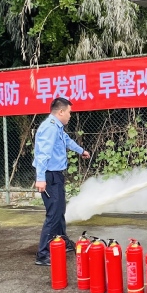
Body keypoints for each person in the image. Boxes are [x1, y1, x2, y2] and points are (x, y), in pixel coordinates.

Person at [33, 97, 90, 266]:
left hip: (55, 175)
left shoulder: (56, 127)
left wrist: (81, 151)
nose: (70, 116)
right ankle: (42, 254)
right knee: (53, 214)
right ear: (61, 112)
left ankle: (62, 241)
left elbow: (67, 141)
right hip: (49, 176)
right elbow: (43, 154)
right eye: (69, 113)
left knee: (59, 211)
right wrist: (40, 178)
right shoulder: (50, 128)